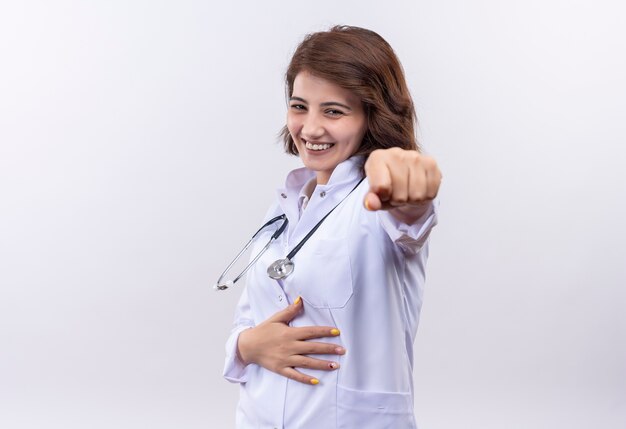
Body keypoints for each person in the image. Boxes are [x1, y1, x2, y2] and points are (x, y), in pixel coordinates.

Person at [222, 25, 441, 428]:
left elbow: (412, 216)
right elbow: (249, 320)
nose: (310, 128)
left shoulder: (377, 204)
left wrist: (407, 181)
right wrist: (247, 346)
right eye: (299, 106)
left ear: (372, 116)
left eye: (334, 111)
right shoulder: (285, 206)